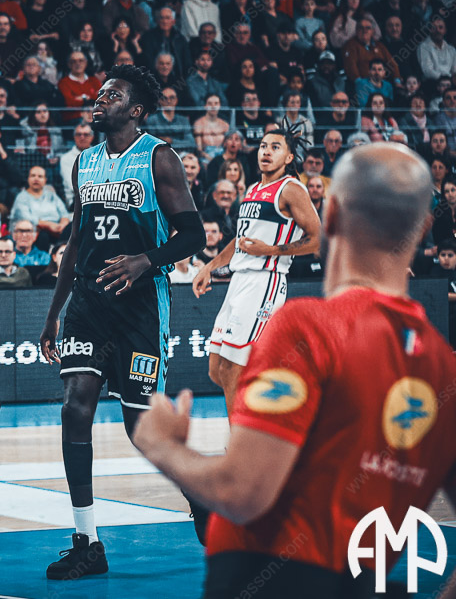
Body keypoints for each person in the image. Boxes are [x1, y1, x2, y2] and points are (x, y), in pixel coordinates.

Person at [136, 143, 456, 597]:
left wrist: (162, 447)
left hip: (265, 576)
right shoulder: (444, 367)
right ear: (423, 228)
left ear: (332, 215)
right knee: (221, 369)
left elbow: (241, 493)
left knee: (232, 375)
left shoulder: (307, 326)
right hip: (360, 580)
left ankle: (242, 441)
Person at [38, 64, 207, 577]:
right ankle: (87, 542)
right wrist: (54, 314)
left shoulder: (159, 158)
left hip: (140, 307)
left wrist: (144, 261)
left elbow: (193, 236)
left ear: (135, 110)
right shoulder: (83, 162)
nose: (99, 98)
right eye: (99, 93)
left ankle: (203, 495)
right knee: (75, 408)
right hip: (88, 306)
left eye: (110, 94)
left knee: (142, 428)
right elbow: (76, 242)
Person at [193, 130, 322, 410]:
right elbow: (240, 240)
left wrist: (272, 250)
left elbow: (317, 239)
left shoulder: (291, 189)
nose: (266, 151)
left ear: (289, 157)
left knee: (232, 370)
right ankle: (273, 404)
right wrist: (210, 267)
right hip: (239, 281)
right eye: (263, 146)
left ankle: (242, 434)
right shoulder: (252, 189)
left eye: (275, 147)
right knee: (216, 369)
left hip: (265, 281)